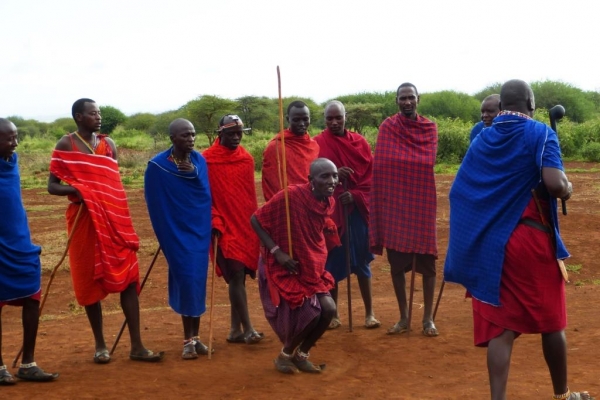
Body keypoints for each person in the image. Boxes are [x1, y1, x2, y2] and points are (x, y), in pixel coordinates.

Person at [443, 79, 592, 400]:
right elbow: (554, 184)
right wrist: (567, 187)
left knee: (502, 328)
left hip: (492, 246)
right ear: (531, 103)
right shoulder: (540, 133)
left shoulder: (482, 139)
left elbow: (460, 192)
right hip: (531, 242)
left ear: (503, 105)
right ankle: (563, 395)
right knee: (553, 322)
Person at [48, 98, 163, 363]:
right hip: (84, 219)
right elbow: (52, 186)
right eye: (92, 113)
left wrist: (101, 196)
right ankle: (100, 345)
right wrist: (79, 190)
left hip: (114, 217)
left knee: (129, 278)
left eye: (99, 112)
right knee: (89, 279)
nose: (98, 117)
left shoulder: (108, 144)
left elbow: (112, 182)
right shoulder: (67, 144)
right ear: (79, 116)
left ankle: (137, 345)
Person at [251, 158, 339, 374]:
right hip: (287, 263)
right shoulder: (290, 196)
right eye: (325, 176)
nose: (332, 181)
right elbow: (256, 220)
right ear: (311, 180)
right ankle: (285, 356)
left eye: (334, 175)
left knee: (329, 310)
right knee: (312, 314)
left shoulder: (329, 202)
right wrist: (277, 251)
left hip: (311, 263)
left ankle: (300, 355)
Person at [370, 83, 439, 337]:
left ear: (418, 99)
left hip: (421, 202)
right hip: (396, 203)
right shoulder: (388, 127)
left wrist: (405, 163)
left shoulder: (429, 128)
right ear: (397, 101)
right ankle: (403, 317)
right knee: (397, 265)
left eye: (411, 97)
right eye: (402, 98)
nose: (407, 102)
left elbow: (426, 160)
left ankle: (428, 319)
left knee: (428, 263)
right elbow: (383, 163)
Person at [145, 118, 212, 359]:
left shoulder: (198, 161)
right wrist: (165, 234)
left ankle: (196, 338)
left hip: (199, 232)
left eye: (193, 134)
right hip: (174, 234)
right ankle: (187, 342)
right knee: (186, 281)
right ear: (172, 138)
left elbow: (204, 194)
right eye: (185, 135)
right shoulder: (158, 166)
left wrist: (194, 175)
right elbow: (155, 203)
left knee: (197, 282)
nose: (191, 139)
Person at [0, 119, 58, 384]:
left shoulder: (13, 162)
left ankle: (28, 363)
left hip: (21, 243)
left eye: (16, 137)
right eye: (9, 138)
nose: (15, 143)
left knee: (32, 299)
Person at [313, 101, 380, 330]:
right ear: (324, 119)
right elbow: (312, 178)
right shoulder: (318, 144)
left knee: (361, 261)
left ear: (345, 117)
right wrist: (334, 175)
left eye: (338, 118)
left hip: (357, 212)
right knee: (331, 263)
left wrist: (355, 195)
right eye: (329, 118)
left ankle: (370, 313)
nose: (334, 122)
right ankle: (334, 314)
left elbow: (370, 180)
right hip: (330, 213)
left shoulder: (360, 143)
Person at [202, 115, 263, 345]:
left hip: (244, 224)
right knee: (236, 275)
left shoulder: (246, 159)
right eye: (231, 133)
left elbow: (247, 196)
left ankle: (234, 330)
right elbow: (203, 196)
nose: (236, 137)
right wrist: (214, 219)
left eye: (239, 133)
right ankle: (248, 328)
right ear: (220, 134)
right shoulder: (207, 160)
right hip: (223, 226)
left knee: (241, 276)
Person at [261, 100, 320, 201]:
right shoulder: (275, 147)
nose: (302, 124)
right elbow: (271, 183)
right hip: (287, 206)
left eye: (305, 119)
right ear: (288, 119)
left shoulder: (314, 146)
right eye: (296, 120)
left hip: (311, 203)